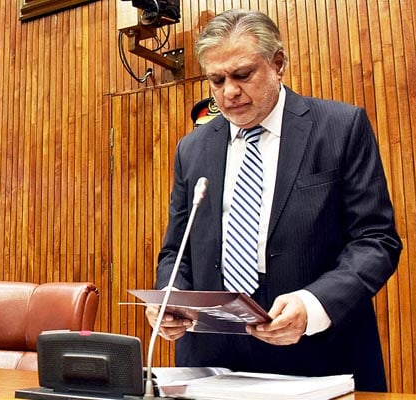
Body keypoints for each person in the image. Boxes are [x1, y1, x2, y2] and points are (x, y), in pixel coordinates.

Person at [146, 9, 402, 392]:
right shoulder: (192, 148)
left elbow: (376, 240)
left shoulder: (340, 127)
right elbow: (176, 251)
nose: (228, 92)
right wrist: (172, 299)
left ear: (277, 63)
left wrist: (313, 305)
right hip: (212, 363)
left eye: (242, 75)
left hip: (316, 356)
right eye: (216, 80)